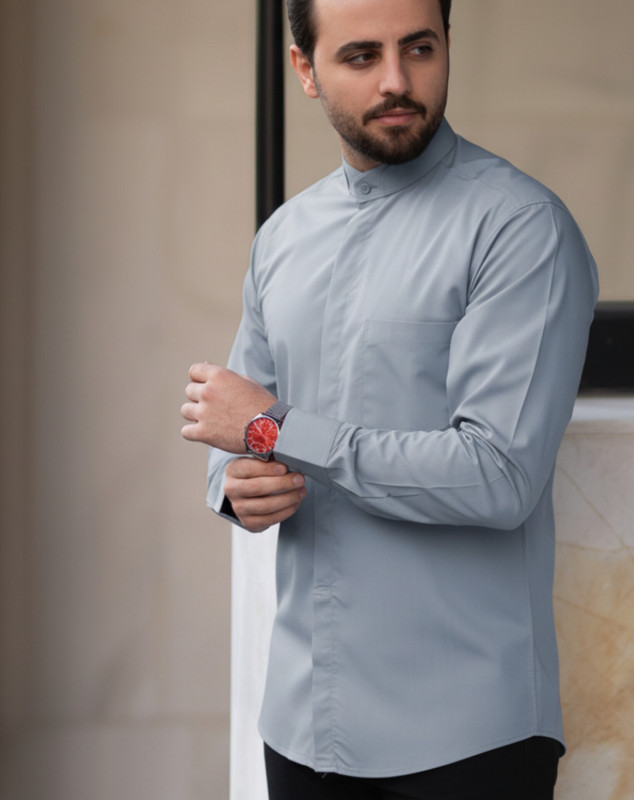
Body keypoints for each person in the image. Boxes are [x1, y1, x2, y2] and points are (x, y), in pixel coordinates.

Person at [181, 0, 598, 797]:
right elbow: (236, 435)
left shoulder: (520, 227)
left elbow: (500, 474)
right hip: (301, 722)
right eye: (362, 56)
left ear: (448, 46)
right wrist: (236, 488)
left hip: (467, 738)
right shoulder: (283, 238)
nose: (398, 81)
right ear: (305, 70)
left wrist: (275, 429)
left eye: (420, 49)